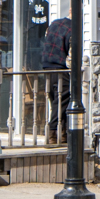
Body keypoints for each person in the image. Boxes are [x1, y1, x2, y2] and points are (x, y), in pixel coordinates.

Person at [40, 17, 71, 146]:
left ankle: (62, 133)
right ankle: (52, 133)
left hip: (47, 65)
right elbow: (72, 50)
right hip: (60, 67)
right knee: (62, 99)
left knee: (55, 100)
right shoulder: (72, 27)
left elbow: (46, 36)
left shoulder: (54, 23)